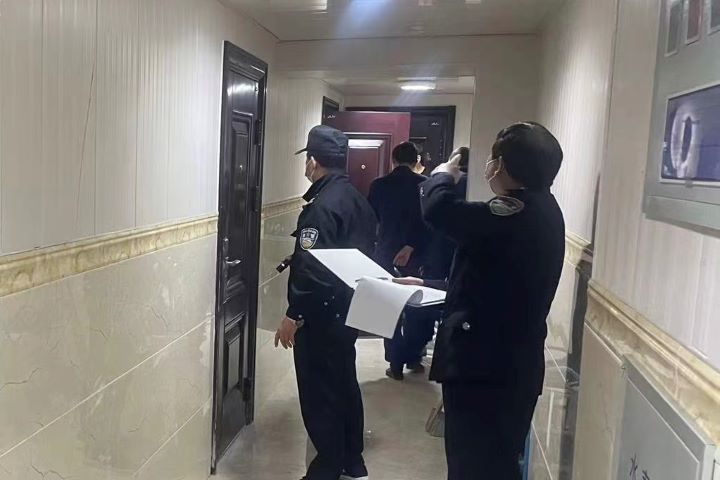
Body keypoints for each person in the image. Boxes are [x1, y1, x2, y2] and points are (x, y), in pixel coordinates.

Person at [417, 122, 565, 480]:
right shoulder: (541, 209)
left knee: (475, 467)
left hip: (485, 371)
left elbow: (439, 211)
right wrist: (426, 284)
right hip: (503, 368)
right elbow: (492, 280)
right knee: (489, 466)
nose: (488, 167)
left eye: (492, 159)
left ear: (502, 165)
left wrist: (442, 175)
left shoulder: (516, 211)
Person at [275, 125, 377, 480]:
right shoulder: (356, 199)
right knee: (344, 383)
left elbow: (313, 270)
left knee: (320, 393)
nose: (306, 166)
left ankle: (327, 466)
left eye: (307, 159)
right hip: (348, 308)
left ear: (313, 161)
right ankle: (352, 460)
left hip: (321, 316)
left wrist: (294, 315)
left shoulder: (321, 208)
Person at [367, 142, 430, 380]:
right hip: (417, 255)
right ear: (416, 161)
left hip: (385, 253)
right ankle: (413, 357)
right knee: (416, 307)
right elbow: (429, 222)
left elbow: (371, 218)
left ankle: (395, 364)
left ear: (393, 160)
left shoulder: (379, 185)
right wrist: (411, 245)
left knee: (388, 307)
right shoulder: (425, 185)